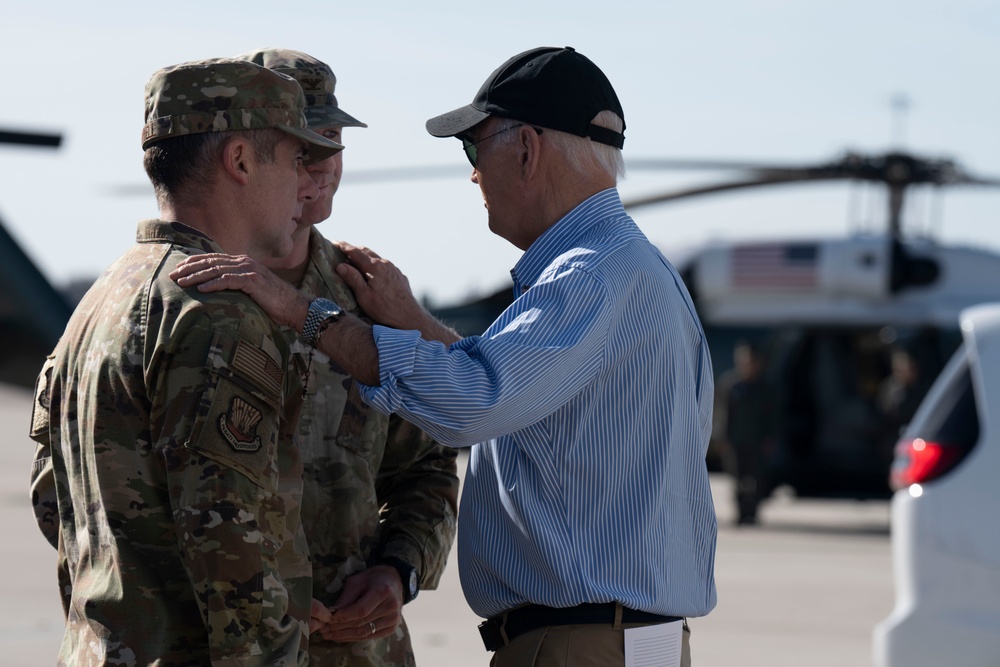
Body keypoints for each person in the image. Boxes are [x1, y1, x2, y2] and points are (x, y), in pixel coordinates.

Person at [171, 46, 718, 667]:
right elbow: (511, 391)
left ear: (528, 150)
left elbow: (468, 405)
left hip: (583, 642)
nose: (474, 175)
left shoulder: (590, 277)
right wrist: (412, 322)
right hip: (626, 639)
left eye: (473, 150)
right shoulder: (626, 270)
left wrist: (308, 314)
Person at [27, 57, 342, 665]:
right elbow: (231, 548)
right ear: (242, 160)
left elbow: (53, 503)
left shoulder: (101, 300)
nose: (305, 183)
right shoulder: (215, 312)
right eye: (293, 158)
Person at [235, 47, 460, 667]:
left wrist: (399, 570)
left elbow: (429, 464)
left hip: (360, 651)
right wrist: (243, 587)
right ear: (243, 158)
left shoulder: (369, 296)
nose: (319, 166)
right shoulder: (186, 296)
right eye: (299, 146)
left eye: (330, 141)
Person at [718, 341, 780, 525]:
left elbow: (774, 416)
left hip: (757, 440)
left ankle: (753, 513)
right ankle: (740, 513)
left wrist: (771, 438)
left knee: (757, 479)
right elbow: (723, 414)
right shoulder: (731, 385)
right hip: (736, 440)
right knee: (738, 478)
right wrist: (722, 438)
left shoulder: (766, 387)